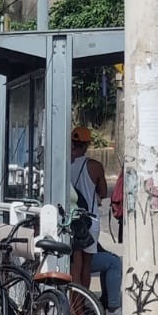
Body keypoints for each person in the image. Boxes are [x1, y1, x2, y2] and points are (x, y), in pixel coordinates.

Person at [69, 127, 108, 301]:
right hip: (90, 220)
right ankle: (82, 303)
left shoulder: (65, 163)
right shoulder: (95, 166)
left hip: (71, 219)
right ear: (86, 144)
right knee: (86, 266)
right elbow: (103, 192)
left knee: (73, 266)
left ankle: (73, 305)